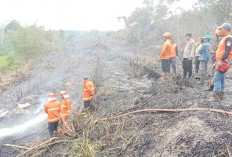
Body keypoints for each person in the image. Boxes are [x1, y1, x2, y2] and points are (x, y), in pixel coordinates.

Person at [210, 23, 232, 101]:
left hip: (224, 61)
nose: (220, 31)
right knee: (221, 77)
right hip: (223, 60)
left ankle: (216, 96)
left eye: (221, 29)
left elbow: (228, 50)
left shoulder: (228, 38)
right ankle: (221, 95)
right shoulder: (226, 38)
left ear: (225, 29)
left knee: (217, 77)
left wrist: (221, 60)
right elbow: (222, 50)